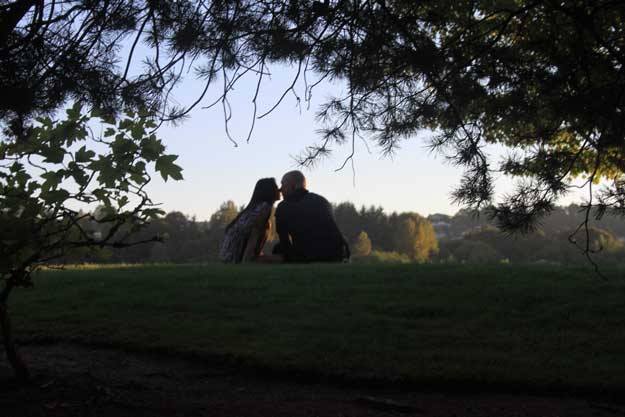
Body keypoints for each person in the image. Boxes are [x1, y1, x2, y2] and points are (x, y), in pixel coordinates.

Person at [274, 170, 349, 262]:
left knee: (277, 248)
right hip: (336, 254)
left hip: (309, 255)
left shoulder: (284, 207)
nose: (280, 189)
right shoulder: (322, 201)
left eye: (283, 185)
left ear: (293, 186)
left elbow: (284, 242)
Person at [219, 178, 280, 263]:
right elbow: (254, 234)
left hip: (227, 258)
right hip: (235, 258)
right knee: (282, 258)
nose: (279, 189)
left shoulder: (253, 209)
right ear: (269, 191)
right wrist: (248, 259)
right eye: (276, 187)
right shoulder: (264, 208)